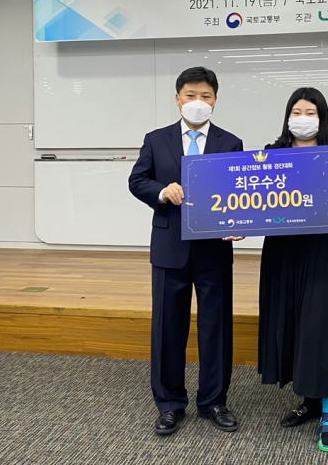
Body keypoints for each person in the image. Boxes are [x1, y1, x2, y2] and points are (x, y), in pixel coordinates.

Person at [129, 66, 243, 436]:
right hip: (169, 246)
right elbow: (137, 180)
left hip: (214, 249)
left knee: (216, 327)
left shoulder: (231, 143)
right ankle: (169, 404)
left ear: (215, 101)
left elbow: (240, 192)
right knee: (167, 327)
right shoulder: (156, 139)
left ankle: (214, 401)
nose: (198, 102)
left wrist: (239, 222)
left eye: (205, 96)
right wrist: (162, 192)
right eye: (191, 95)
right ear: (177, 99)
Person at [258, 87, 328, 453]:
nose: (302, 119)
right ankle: (311, 400)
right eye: (296, 112)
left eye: (310, 113)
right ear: (287, 116)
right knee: (293, 324)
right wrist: (236, 222)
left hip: (323, 253)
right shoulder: (271, 154)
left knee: (323, 326)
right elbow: (254, 202)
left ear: (322, 118)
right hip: (283, 254)